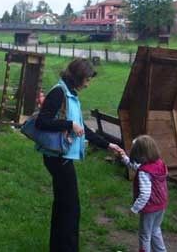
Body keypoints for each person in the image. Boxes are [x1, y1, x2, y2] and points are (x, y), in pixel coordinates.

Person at [35, 58, 122, 252]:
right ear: (78, 77)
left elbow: (83, 129)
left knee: (65, 207)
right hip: (58, 158)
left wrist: (108, 145)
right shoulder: (59, 93)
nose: (88, 84)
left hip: (62, 158)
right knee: (70, 209)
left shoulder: (70, 93)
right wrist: (68, 124)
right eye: (87, 79)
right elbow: (42, 122)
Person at [118, 135, 168, 252]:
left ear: (140, 154)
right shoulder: (159, 163)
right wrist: (124, 158)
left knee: (145, 235)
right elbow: (138, 167)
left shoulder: (144, 172)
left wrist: (134, 209)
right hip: (161, 204)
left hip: (149, 207)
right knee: (155, 229)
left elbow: (145, 194)